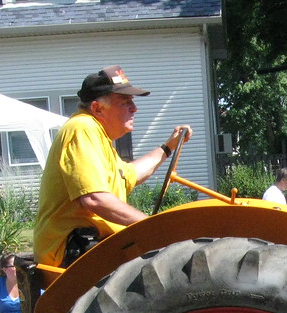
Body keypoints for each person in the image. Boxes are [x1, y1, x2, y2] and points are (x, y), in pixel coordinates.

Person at [33, 65, 193, 268]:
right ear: (97, 108)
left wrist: (168, 147)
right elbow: (94, 198)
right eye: (125, 102)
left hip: (87, 247)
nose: (134, 108)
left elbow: (130, 174)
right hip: (74, 252)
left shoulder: (99, 137)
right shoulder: (82, 128)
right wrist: (154, 228)